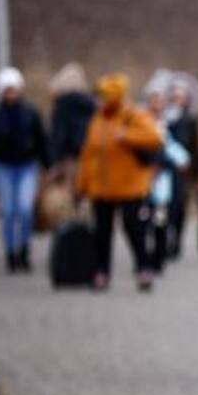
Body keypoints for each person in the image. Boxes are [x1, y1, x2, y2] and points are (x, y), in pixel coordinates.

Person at [76, 73, 163, 291]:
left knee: (134, 229)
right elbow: (88, 155)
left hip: (130, 187)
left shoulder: (133, 116)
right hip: (101, 188)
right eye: (98, 97)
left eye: (104, 97)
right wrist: (82, 186)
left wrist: (127, 136)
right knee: (101, 232)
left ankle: (143, 268)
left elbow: (155, 138)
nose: (99, 101)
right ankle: (101, 272)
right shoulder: (97, 120)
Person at [0, 67, 53, 273]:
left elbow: (41, 143)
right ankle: (11, 252)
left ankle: (24, 250)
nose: (11, 94)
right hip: (4, 167)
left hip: (26, 166)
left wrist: (48, 166)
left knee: (25, 210)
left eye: (14, 89)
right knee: (8, 212)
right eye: (7, 90)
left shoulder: (30, 114)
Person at [142, 78, 190, 275]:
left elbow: (176, 154)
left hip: (162, 181)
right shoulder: (141, 124)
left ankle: (158, 258)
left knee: (161, 220)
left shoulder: (166, 127)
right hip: (143, 180)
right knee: (144, 221)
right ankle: (145, 257)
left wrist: (163, 164)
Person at [165, 72, 198, 259]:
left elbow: (195, 147)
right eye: (175, 95)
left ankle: (176, 242)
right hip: (164, 169)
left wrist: (197, 174)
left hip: (183, 171)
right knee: (164, 207)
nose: (178, 99)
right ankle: (164, 241)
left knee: (179, 207)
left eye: (182, 96)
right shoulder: (164, 118)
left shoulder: (191, 120)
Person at [48, 63, 96, 196]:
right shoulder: (91, 104)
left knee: (71, 193)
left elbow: (59, 135)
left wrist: (55, 160)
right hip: (91, 156)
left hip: (70, 158)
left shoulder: (62, 106)